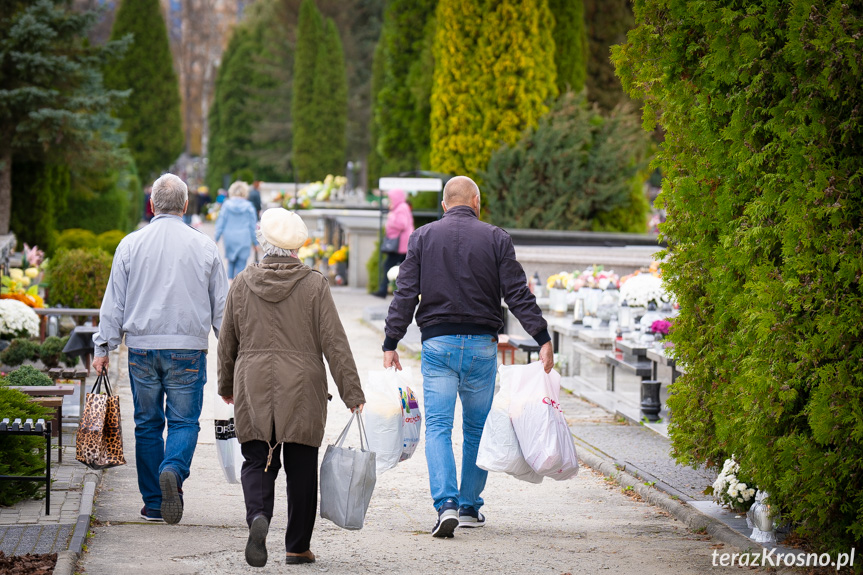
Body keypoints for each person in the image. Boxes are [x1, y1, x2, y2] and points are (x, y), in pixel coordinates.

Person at [381, 176, 553, 539]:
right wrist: (542, 337)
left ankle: (445, 504)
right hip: (481, 346)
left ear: (445, 205)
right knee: (476, 428)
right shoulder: (496, 238)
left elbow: (406, 293)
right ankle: (470, 506)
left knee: (440, 428)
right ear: (477, 201)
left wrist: (391, 341)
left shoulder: (423, 237)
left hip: (438, 343)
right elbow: (517, 293)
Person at [218, 207, 365, 567]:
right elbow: (335, 343)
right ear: (297, 247)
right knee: (301, 464)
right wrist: (352, 393)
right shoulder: (314, 285)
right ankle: (297, 547)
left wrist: (225, 384)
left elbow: (227, 341)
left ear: (262, 244)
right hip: (302, 386)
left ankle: (258, 516)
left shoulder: (241, 283)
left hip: (252, 382)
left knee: (256, 460)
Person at [92, 173, 229, 525]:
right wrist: (231, 354)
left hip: (141, 348)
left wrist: (103, 347)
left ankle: (154, 502)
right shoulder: (205, 246)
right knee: (184, 422)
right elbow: (222, 309)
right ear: (186, 205)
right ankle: (173, 469)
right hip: (187, 349)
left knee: (147, 424)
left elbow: (113, 304)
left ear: (151, 205)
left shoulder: (130, 244)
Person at [373, 189, 414, 298]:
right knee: (406, 268)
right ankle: (403, 292)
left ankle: (383, 290)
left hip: (400, 244)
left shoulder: (401, 208)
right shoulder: (401, 207)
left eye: (391, 198)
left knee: (388, 265)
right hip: (402, 244)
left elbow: (402, 224)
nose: (390, 200)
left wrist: (391, 218)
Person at [215, 181, 257, 279]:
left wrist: (216, 239)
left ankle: (229, 285)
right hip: (244, 238)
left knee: (230, 262)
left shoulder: (226, 205)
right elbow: (252, 226)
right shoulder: (249, 207)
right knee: (241, 264)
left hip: (229, 237)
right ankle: (238, 286)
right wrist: (255, 243)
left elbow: (220, 223)